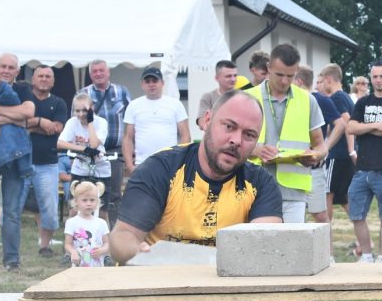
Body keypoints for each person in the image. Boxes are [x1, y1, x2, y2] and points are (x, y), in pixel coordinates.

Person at [108, 90, 282, 263]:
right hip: (160, 280)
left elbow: (266, 246)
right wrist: (132, 250)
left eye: (249, 135)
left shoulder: (261, 184)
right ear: (207, 120)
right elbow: (124, 234)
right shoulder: (160, 169)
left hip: (223, 285)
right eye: (229, 126)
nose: (236, 140)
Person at [246, 44, 326, 223]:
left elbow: (321, 145)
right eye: (279, 75)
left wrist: (315, 155)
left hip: (293, 193)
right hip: (253, 188)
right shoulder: (248, 98)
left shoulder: (307, 100)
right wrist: (256, 150)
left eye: (290, 76)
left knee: (292, 248)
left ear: (297, 71)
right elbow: (233, 142)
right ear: (269, 68)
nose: (284, 81)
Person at [0, 52, 34, 271]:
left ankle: (11, 259)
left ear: (17, 71)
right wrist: (16, 118)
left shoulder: (23, 89)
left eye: (11, 67)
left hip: (16, 157)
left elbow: (29, 112)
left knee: (11, 211)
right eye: (3, 67)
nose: (7, 71)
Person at [346, 59, 382, 261]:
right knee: (356, 215)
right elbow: (350, 128)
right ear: (371, 78)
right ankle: (367, 255)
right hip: (362, 169)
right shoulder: (362, 102)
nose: (378, 80)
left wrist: (366, 127)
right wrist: (377, 126)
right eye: (375, 76)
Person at [25, 65, 68, 257]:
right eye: (40, 76)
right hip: (21, 161)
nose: (43, 79)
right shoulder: (24, 101)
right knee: (11, 206)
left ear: (53, 81)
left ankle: (45, 246)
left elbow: (57, 128)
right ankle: (10, 250)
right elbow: (18, 125)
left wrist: (30, 125)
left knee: (49, 208)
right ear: (33, 80)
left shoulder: (59, 103)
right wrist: (42, 122)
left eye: (47, 76)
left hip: (48, 163)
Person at [80, 59, 131, 223]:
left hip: (114, 151)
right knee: (89, 192)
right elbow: (75, 121)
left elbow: (131, 121)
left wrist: (131, 147)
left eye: (101, 70)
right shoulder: (83, 94)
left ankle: (115, 233)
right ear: (90, 75)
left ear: (108, 72)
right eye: (94, 71)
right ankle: (92, 231)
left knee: (114, 194)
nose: (98, 74)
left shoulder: (122, 92)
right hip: (91, 153)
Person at [295, 66, 344, 225]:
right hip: (292, 167)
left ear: (298, 81)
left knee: (320, 216)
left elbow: (341, 124)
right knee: (295, 215)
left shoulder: (320, 100)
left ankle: (326, 251)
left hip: (314, 169)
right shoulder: (290, 100)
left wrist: (324, 148)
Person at [123, 66, 189, 174]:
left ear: (162, 83)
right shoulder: (133, 105)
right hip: (142, 163)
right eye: (147, 81)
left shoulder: (175, 104)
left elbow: (185, 135)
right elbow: (127, 138)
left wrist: (180, 162)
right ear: (142, 84)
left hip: (169, 163)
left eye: (155, 80)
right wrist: (130, 166)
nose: (151, 84)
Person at [318, 63, 355, 223]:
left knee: (327, 193)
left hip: (337, 155)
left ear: (328, 79)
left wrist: (351, 150)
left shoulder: (336, 98)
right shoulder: (346, 96)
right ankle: (362, 230)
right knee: (342, 197)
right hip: (345, 155)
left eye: (321, 81)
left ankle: (326, 230)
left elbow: (347, 123)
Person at [58, 92, 111, 203]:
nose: (81, 114)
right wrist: (82, 149)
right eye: (77, 111)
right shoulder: (72, 122)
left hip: (100, 169)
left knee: (102, 209)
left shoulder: (101, 122)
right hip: (80, 169)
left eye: (85, 110)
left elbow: (93, 145)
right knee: (75, 207)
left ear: (92, 109)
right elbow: (60, 143)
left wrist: (90, 121)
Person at [64, 180, 109, 267]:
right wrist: (73, 252)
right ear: (76, 201)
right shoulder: (71, 222)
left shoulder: (102, 223)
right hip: (78, 267)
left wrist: (102, 250)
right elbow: (67, 244)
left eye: (92, 200)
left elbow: (107, 244)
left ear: (97, 201)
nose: (89, 204)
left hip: (97, 267)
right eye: (84, 200)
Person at [197, 60, 238, 131]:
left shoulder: (243, 97)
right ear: (217, 78)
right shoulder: (208, 97)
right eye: (228, 76)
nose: (233, 79)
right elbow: (202, 123)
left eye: (235, 75)